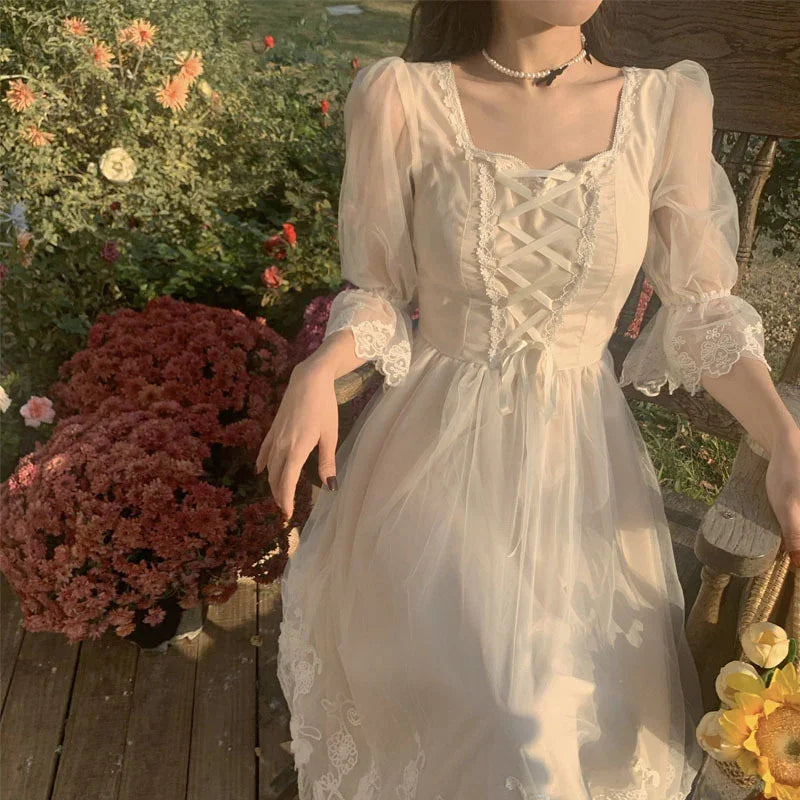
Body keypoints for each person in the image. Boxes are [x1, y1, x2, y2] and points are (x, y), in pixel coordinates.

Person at [256, 1, 800, 797]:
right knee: (507, 715)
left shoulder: (665, 104)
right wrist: (318, 370)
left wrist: (784, 438)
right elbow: (377, 288)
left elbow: (701, 310)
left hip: (579, 476)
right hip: (430, 472)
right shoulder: (401, 97)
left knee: (557, 724)